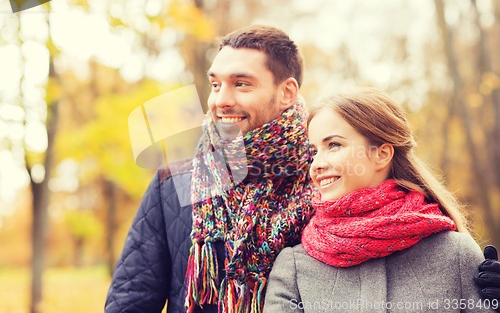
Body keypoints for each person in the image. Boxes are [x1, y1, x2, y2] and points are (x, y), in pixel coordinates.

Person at [104, 26, 500, 313]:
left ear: (287, 91)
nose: (220, 100)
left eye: (241, 84)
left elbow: (389, 259)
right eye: (215, 85)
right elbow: (130, 301)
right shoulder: (175, 183)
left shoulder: (331, 185)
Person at [263, 88, 500, 313]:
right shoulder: (294, 268)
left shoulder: (455, 254)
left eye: (333, 145)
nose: (317, 164)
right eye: (314, 151)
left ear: (382, 154)